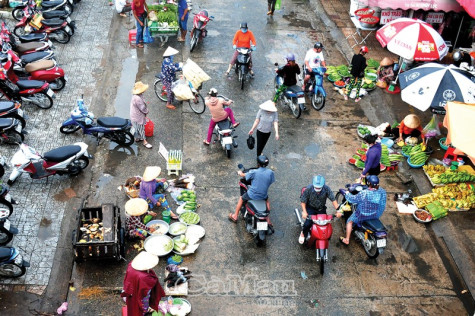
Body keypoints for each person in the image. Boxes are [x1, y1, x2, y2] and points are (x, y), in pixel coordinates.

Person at [339, 175, 387, 245]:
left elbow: (353, 199)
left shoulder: (364, 193)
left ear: (368, 183)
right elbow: (382, 204)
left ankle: (346, 240)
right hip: (376, 214)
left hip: (362, 215)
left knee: (349, 222)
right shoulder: (382, 191)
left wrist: (346, 193)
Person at [228, 155, 275, 223]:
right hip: (263, 195)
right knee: (267, 201)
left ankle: (235, 216)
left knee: (241, 198)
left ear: (258, 164)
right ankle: (268, 218)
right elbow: (270, 182)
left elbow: (244, 175)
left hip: (252, 195)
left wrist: (239, 172)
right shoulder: (270, 172)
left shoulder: (254, 172)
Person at [121, 251, 166, 316]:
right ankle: (144, 312)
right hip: (141, 294)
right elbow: (146, 290)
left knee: (131, 301)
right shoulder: (144, 277)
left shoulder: (131, 265)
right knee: (142, 304)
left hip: (131, 288)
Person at [299, 175, 339, 244]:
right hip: (310, 208)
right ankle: (303, 233)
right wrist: (304, 212)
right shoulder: (308, 189)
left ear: (323, 185)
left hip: (321, 209)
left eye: (319, 187)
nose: (317, 188)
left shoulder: (326, 189)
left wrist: (338, 210)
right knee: (307, 224)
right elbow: (303, 202)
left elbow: (333, 200)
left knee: (325, 224)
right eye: (316, 187)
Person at [130, 81, 152, 149]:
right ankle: (144, 141)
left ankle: (137, 138)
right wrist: (147, 111)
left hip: (134, 115)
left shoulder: (136, 96)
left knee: (136, 127)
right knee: (141, 128)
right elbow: (142, 108)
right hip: (138, 116)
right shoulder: (138, 99)